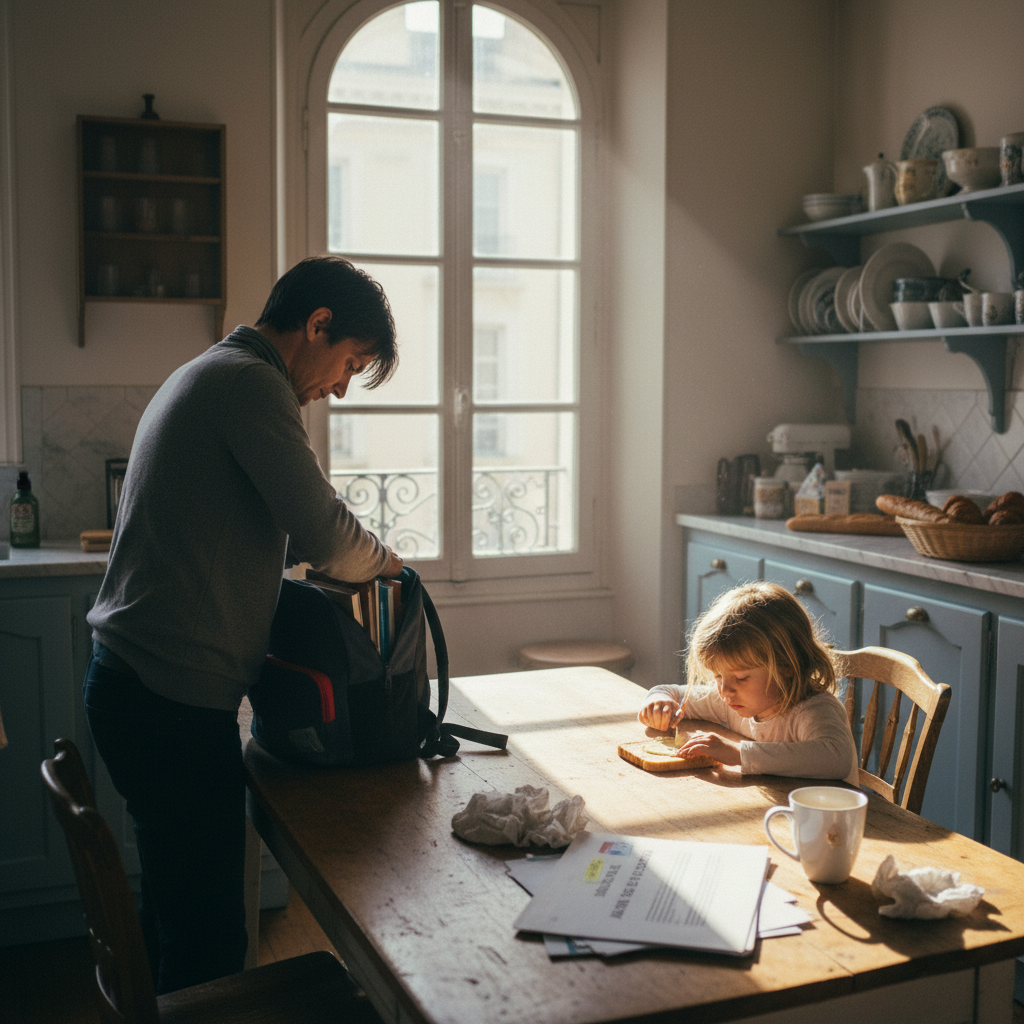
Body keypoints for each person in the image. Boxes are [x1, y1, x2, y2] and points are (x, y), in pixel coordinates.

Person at [83, 255, 403, 994]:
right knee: (211, 943)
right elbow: (324, 531)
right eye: (350, 361)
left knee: (178, 917)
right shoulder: (251, 385)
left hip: (139, 689)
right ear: (317, 325)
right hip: (167, 703)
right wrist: (385, 563)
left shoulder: (213, 372)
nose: (342, 386)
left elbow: (252, 526)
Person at [638, 581, 858, 785]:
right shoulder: (731, 697)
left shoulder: (814, 710)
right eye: (717, 675)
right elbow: (673, 693)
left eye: (741, 678)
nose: (724, 690)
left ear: (787, 666)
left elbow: (835, 758)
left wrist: (738, 753)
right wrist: (659, 701)